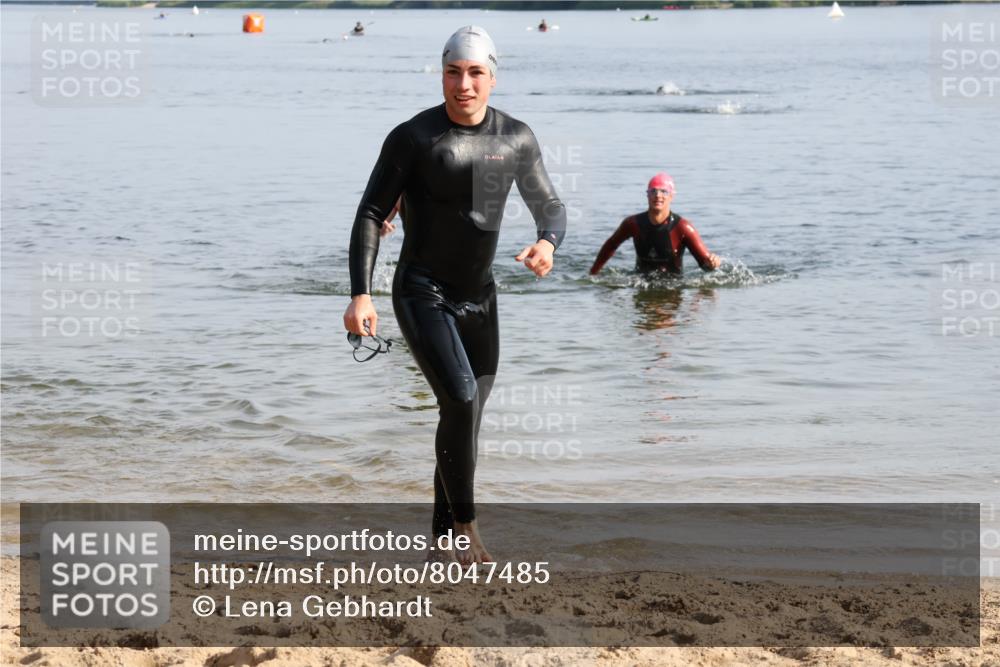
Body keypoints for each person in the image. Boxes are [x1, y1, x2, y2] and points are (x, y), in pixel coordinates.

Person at [344, 25, 566, 565]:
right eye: (452, 72)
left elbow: (551, 206)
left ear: (492, 77)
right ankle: (466, 534)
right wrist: (360, 295)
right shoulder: (414, 138)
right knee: (461, 401)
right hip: (422, 291)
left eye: (474, 73)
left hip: (480, 299)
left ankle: (440, 544)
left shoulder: (516, 138)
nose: (462, 84)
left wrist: (547, 242)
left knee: (464, 417)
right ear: (441, 73)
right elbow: (372, 212)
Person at [589, 172, 720, 275]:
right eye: (653, 191)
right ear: (647, 195)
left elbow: (705, 264)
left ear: (671, 196)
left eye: (664, 191)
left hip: (672, 289)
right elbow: (611, 245)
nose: (658, 195)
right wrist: (593, 273)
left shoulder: (683, 228)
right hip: (640, 282)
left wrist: (713, 263)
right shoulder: (632, 223)